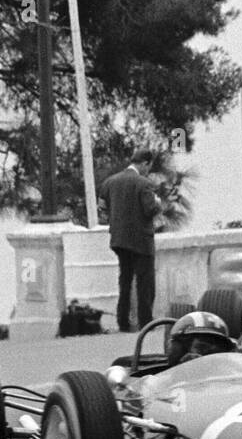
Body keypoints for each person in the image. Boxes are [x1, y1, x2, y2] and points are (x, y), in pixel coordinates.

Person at [99, 150, 162, 332]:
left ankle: (123, 322)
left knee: (124, 281)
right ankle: (146, 323)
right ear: (144, 163)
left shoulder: (109, 182)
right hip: (141, 240)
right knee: (144, 283)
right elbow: (150, 209)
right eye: (148, 166)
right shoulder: (144, 184)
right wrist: (157, 201)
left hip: (119, 239)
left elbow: (102, 209)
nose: (148, 170)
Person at [165, 311, 234, 366]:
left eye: (215, 352)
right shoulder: (160, 378)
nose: (209, 356)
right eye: (201, 347)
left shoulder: (232, 372)